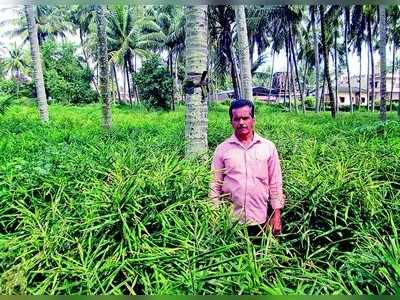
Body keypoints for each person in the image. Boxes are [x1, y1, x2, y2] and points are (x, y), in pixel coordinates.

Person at [209, 99, 285, 237]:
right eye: (237, 119)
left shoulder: (267, 147)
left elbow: (275, 183)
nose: (241, 122)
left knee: (260, 257)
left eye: (246, 118)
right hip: (230, 221)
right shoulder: (222, 149)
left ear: (253, 119)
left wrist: (276, 215)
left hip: (260, 219)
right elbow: (214, 185)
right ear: (231, 122)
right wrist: (214, 217)